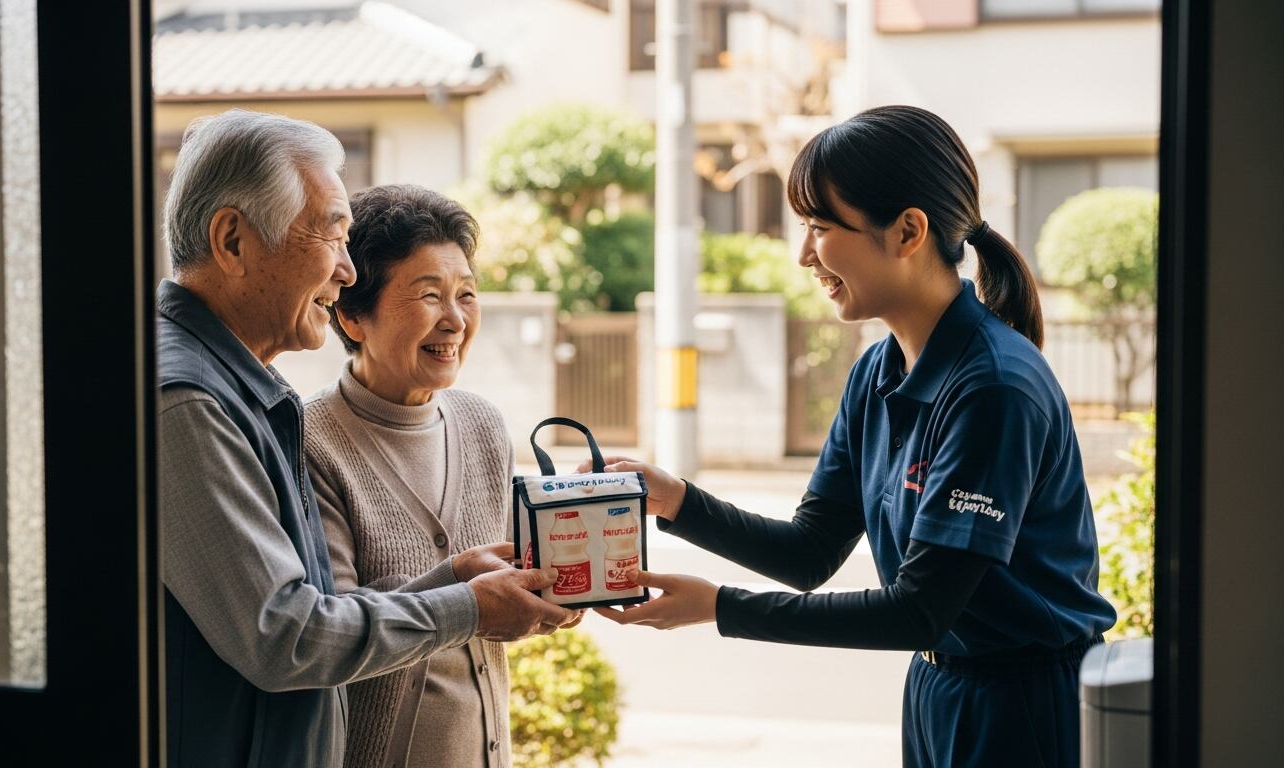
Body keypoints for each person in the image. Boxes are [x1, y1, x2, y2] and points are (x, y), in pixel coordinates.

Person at [588, 105, 1116, 768]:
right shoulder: (879, 368)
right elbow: (811, 550)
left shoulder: (994, 387)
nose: (805, 255)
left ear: (907, 231)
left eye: (819, 227)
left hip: (1020, 702)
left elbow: (918, 611)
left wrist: (720, 607)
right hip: (936, 685)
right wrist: (676, 502)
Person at [156, 109, 577, 767]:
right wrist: (464, 606)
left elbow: (315, 612)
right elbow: (286, 637)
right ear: (233, 241)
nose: (348, 271)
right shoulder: (187, 402)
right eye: (331, 235)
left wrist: (454, 581)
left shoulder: (247, 393)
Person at [303, 184, 552, 768]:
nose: (455, 320)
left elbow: (496, 601)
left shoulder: (484, 425)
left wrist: (544, 599)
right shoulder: (312, 441)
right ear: (351, 316)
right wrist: (463, 594)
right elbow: (327, 632)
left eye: (466, 294)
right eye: (429, 295)